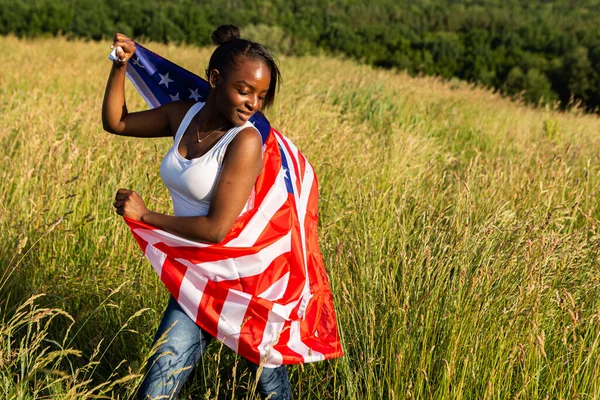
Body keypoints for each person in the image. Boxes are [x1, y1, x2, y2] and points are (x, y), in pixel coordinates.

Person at [102, 25, 290, 399]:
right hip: (197, 278)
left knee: (270, 390)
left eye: (262, 96)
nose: (254, 103)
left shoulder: (247, 140)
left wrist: (145, 215)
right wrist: (120, 65)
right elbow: (116, 122)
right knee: (157, 388)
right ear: (215, 80)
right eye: (244, 90)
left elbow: (216, 229)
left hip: (244, 283)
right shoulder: (183, 117)